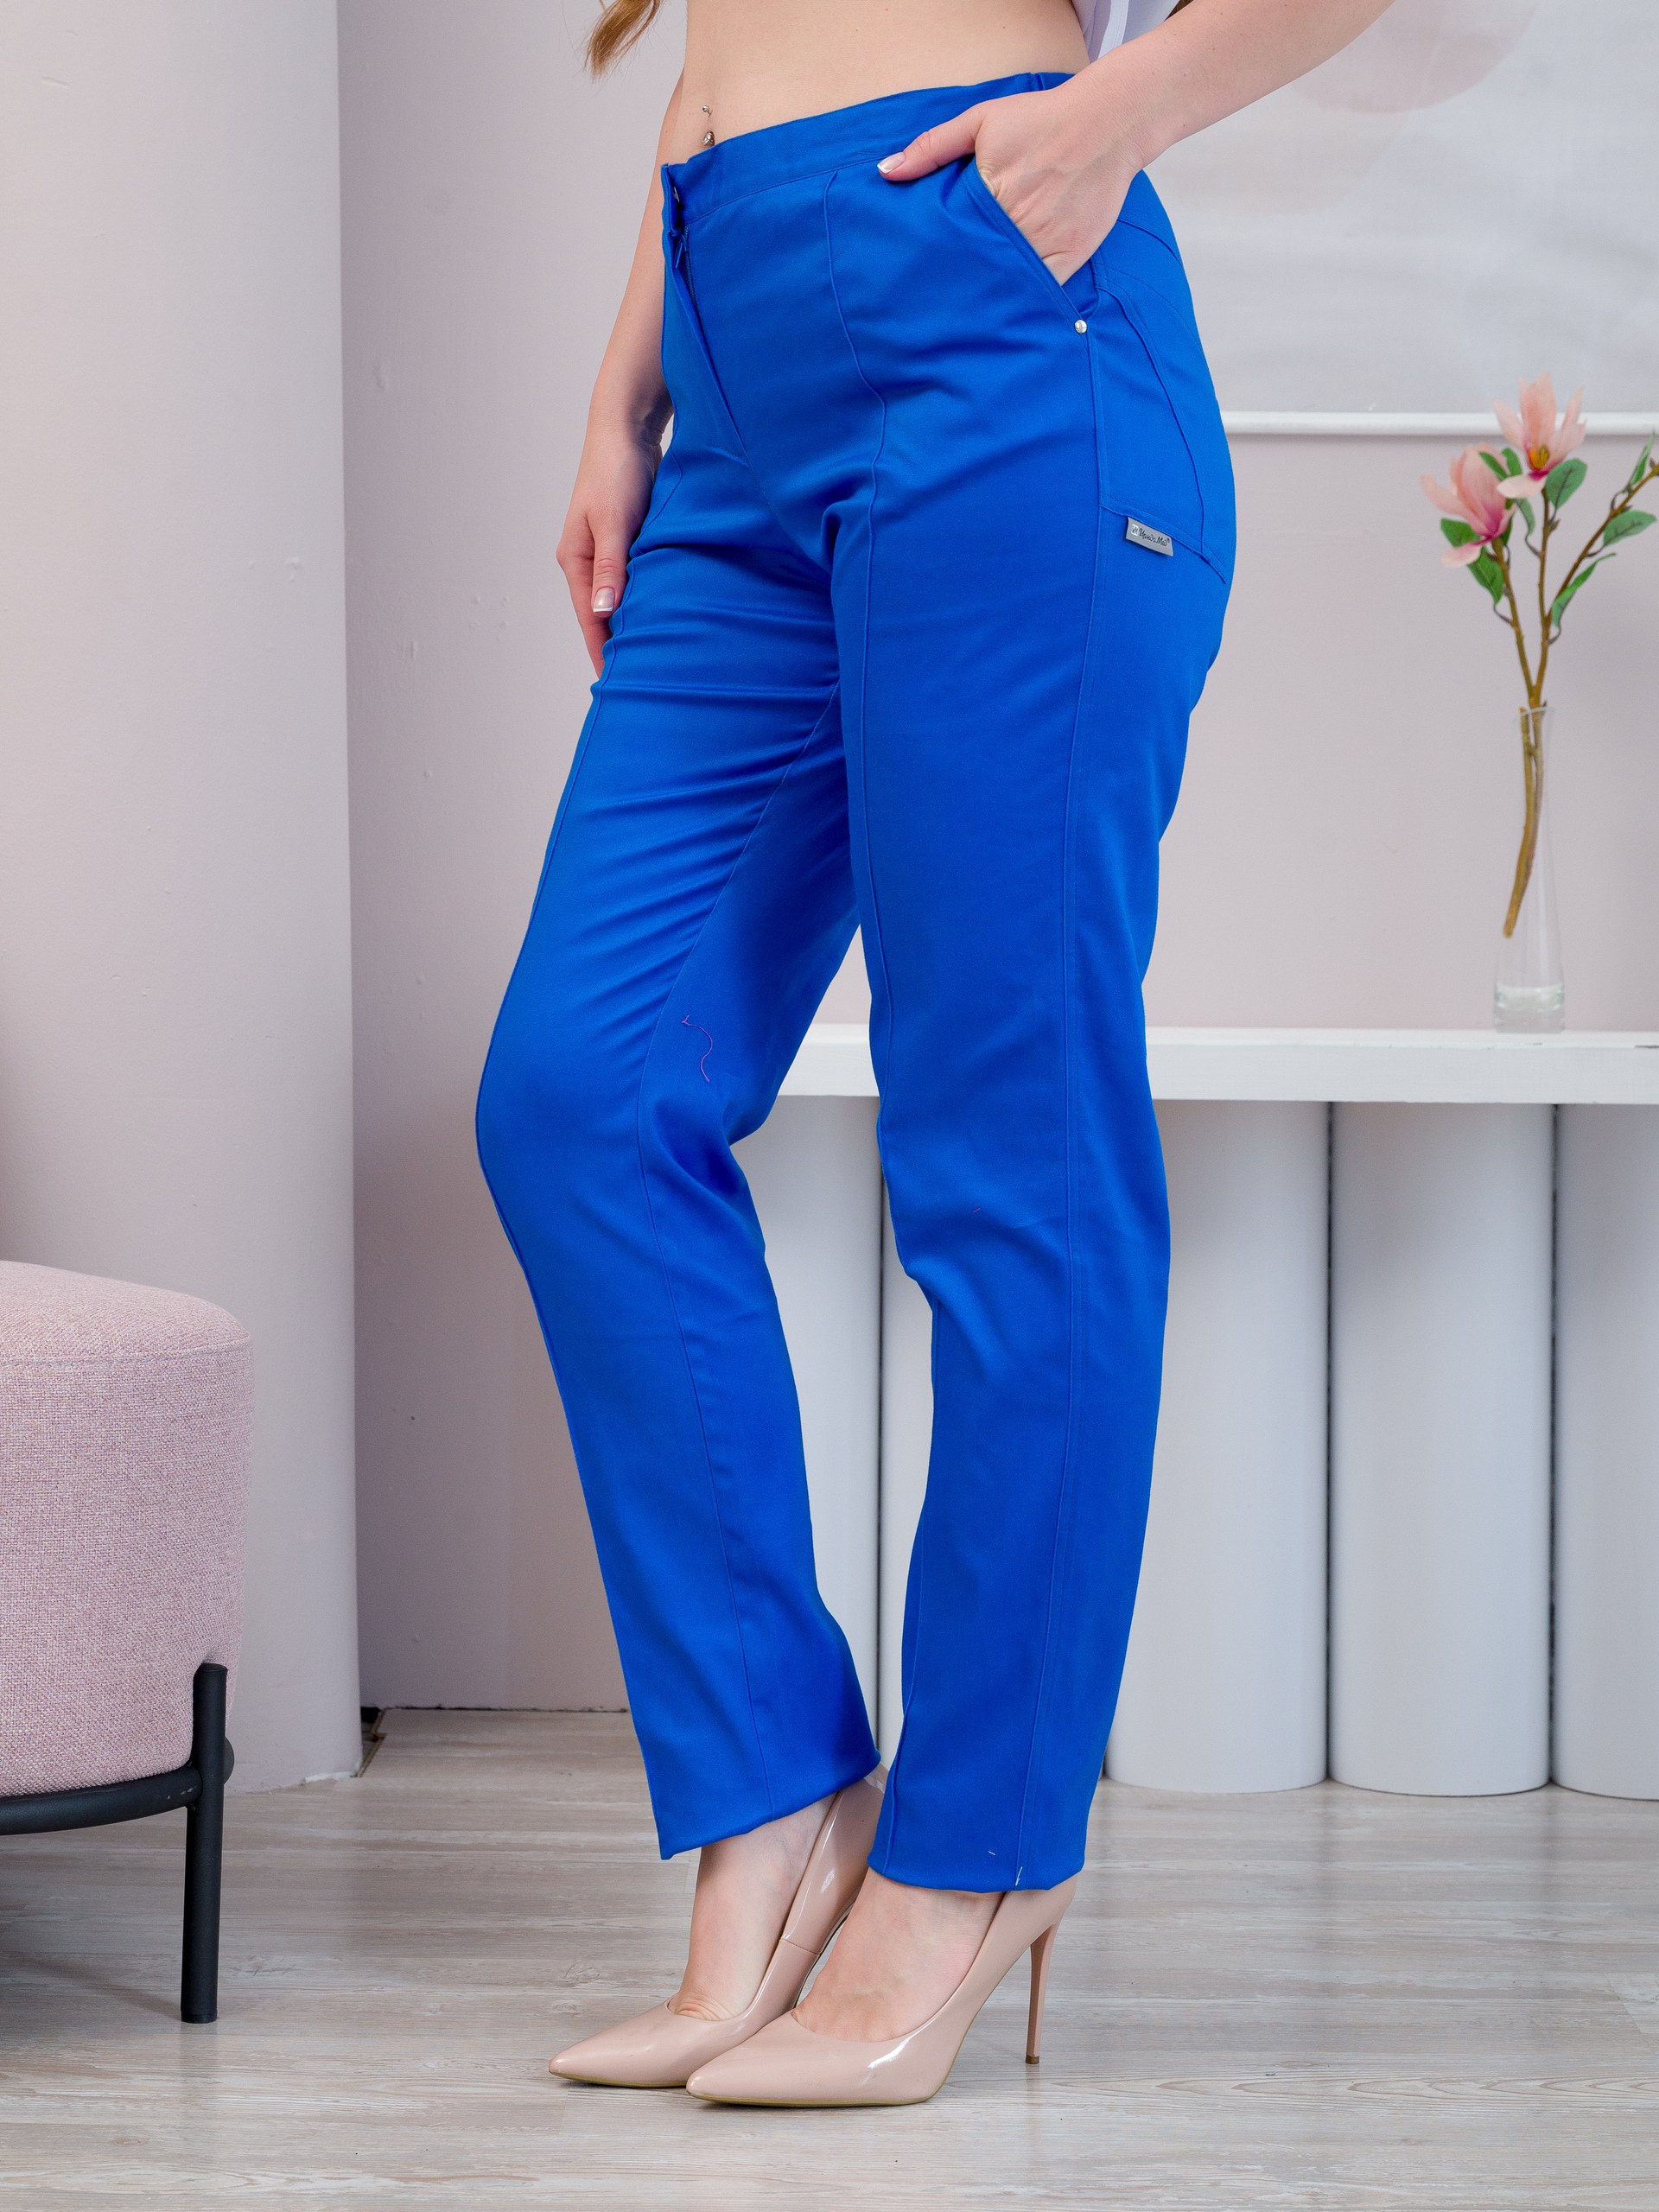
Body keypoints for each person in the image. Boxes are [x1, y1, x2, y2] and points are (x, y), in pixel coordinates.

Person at [475, 0, 1392, 2108]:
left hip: (996, 341)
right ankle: (777, 1792)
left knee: (1008, 1152)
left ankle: (978, 1851)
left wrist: (1111, 122)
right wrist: (628, 382)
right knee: (580, 1095)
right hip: (730, 380)